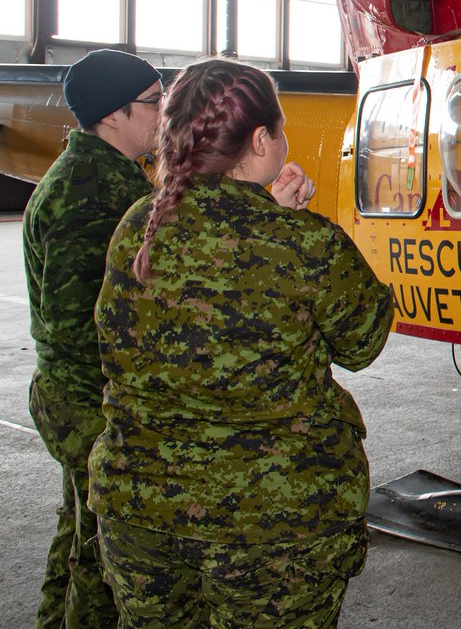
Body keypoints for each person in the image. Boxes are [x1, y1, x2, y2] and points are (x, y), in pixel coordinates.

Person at [87, 58, 395, 627]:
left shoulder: (138, 225)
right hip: (273, 526)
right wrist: (293, 225)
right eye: (278, 129)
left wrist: (273, 216)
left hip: (142, 517)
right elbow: (363, 339)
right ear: (260, 139)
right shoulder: (305, 244)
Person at [23, 48, 164, 628]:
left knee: (79, 530)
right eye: (155, 104)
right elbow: (77, 323)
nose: (163, 116)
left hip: (79, 399)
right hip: (91, 403)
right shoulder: (93, 194)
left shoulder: (102, 177)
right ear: (113, 115)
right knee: (107, 559)